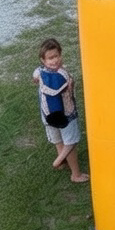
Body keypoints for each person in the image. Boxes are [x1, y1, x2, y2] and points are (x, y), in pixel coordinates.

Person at [33, 39, 89, 182]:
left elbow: (34, 77)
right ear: (43, 59)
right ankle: (75, 174)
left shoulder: (39, 71)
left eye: (57, 56)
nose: (55, 60)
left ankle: (62, 163)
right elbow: (68, 91)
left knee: (58, 140)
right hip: (66, 115)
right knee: (70, 141)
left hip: (48, 115)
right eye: (51, 58)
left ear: (61, 55)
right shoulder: (63, 74)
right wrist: (71, 83)